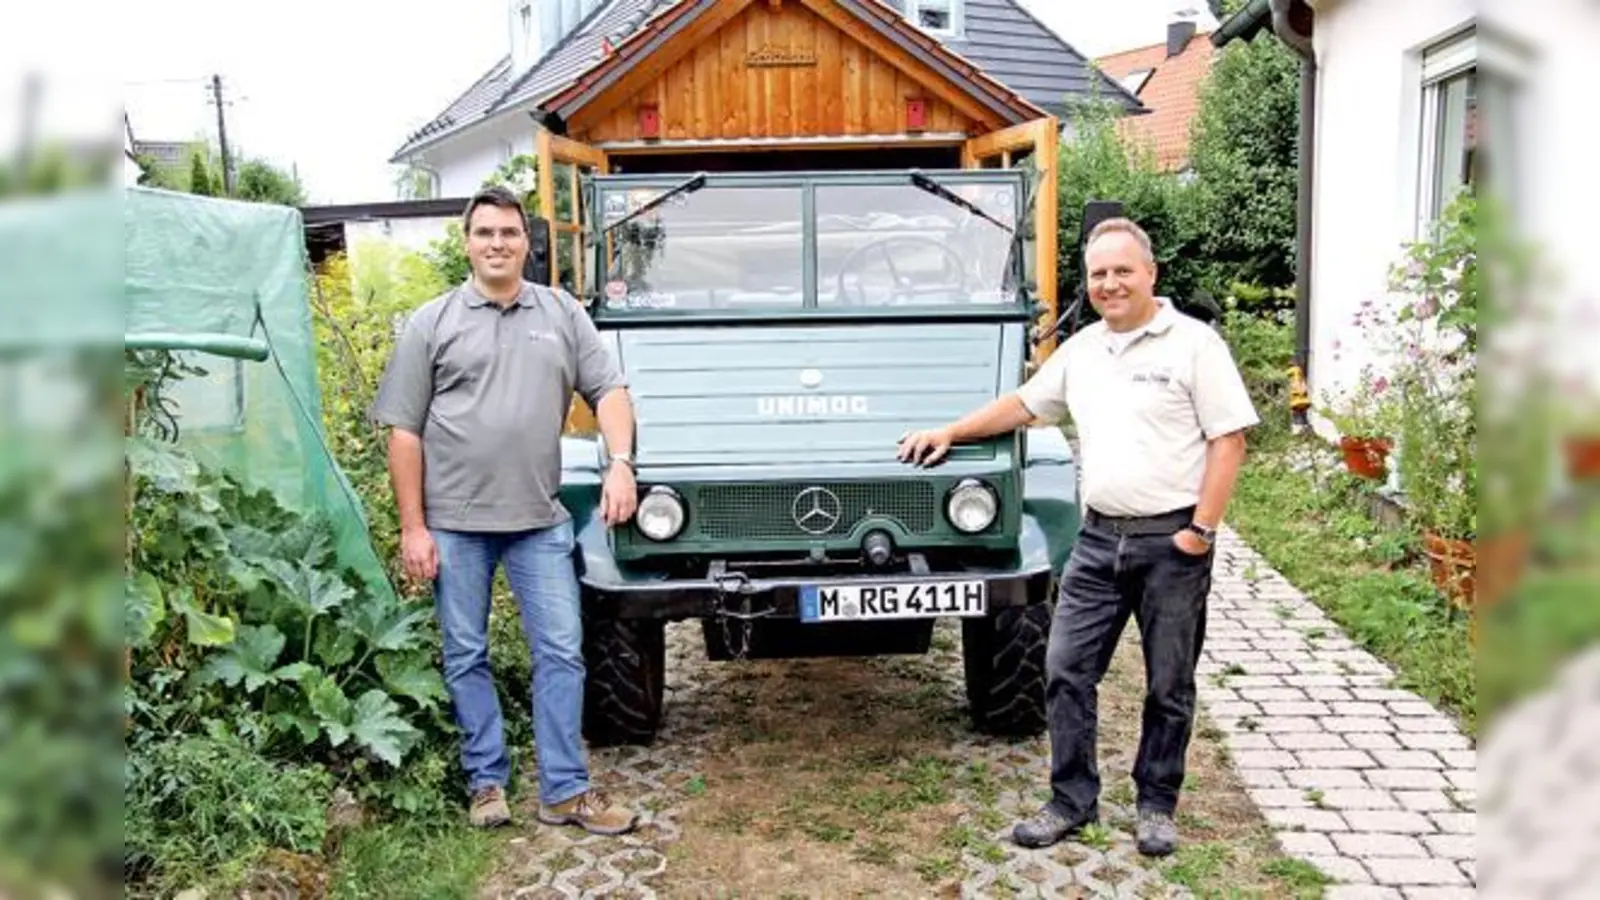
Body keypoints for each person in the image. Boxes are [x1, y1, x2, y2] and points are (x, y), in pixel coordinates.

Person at [898, 217, 1257, 857]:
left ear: (1151, 274)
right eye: (1098, 274)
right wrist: (952, 430)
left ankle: (1155, 805)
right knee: (1064, 669)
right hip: (1096, 542)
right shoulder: (1085, 350)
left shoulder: (1194, 344)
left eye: (1123, 270)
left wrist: (1201, 531)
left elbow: (1228, 440)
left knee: (1167, 683)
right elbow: (1025, 406)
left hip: (1172, 544)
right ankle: (1072, 800)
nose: (1110, 284)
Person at [372, 184, 641, 834]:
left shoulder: (561, 313)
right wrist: (413, 527)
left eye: (509, 234)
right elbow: (403, 432)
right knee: (466, 653)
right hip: (455, 525)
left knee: (562, 652)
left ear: (527, 244)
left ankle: (565, 792)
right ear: (467, 243)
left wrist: (622, 463)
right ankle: (486, 782)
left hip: (539, 519)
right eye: (485, 233)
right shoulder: (430, 323)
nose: (497, 243)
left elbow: (609, 389)